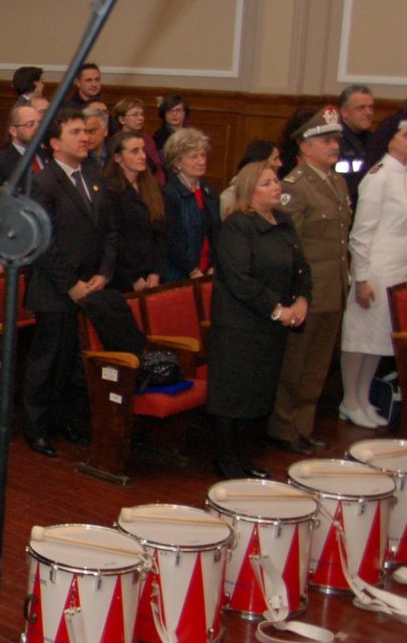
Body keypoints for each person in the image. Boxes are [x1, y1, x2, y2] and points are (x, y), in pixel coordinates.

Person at [207, 163, 310, 479]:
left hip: (271, 326)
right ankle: (227, 460)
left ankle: (245, 457)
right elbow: (240, 279)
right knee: (235, 395)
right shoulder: (237, 226)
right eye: (267, 183)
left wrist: (302, 300)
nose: (277, 187)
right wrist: (279, 309)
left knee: (259, 393)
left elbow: (301, 268)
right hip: (240, 326)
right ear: (249, 191)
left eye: (276, 181)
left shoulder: (283, 221)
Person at [23, 109, 116, 457]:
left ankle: (60, 419)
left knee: (71, 361)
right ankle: (35, 427)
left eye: (86, 131)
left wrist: (103, 273)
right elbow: (44, 241)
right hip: (55, 288)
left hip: (90, 285)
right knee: (47, 360)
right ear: (54, 143)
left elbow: (109, 230)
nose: (85, 137)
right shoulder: (43, 182)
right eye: (75, 132)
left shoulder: (93, 175)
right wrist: (71, 284)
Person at [270, 108, 352, 453]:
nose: (334, 146)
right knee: (296, 365)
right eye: (326, 140)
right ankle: (284, 428)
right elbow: (291, 246)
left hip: (334, 288)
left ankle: (303, 427)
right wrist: (296, 293)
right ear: (305, 147)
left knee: (318, 366)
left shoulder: (336, 182)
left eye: (336, 139)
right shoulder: (295, 187)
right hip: (308, 290)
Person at [340, 115, 407, 428]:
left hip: (405, 266)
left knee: (380, 339)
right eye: (406, 135)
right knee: (361, 335)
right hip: (377, 265)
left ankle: (364, 397)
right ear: (389, 139)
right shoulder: (378, 176)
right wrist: (361, 277)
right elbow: (361, 233)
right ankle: (350, 399)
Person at [102, 131, 167, 292]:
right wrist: (132, 277)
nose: (142, 156)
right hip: (122, 277)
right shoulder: (110, 190)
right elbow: (113, 239)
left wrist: (156, 271)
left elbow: (160, 231)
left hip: (150, 272)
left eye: (143, 150)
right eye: (134, 151)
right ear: (117, 158)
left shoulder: (152, 187)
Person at [162, 128, 220, 281]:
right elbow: (171, 240)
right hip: (179, 274)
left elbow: (216, 232)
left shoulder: (208, 191)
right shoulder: (170, 193)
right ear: (177, 162)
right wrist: (192, 271)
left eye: (203, 155)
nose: (201, 161)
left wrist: (213, 265)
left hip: (207, 270)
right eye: (194, 157)